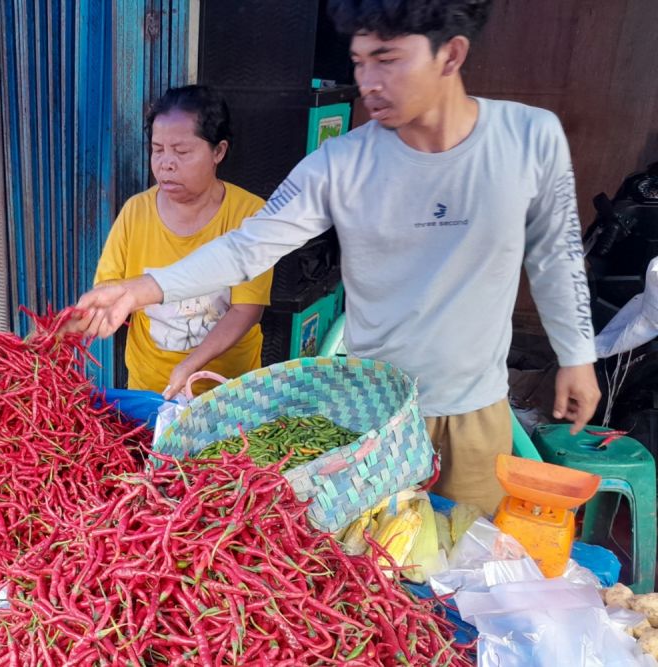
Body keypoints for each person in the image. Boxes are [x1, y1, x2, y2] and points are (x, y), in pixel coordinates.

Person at [72, 0, 602, 514]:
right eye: (359, 61)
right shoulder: (340, 164)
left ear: (451, 54)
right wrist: (140, 289)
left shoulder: (528, 138)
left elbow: (556, 254)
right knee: (370, 560)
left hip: (472, 410)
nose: (368, 82)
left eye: (387, 59)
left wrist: (577, 356)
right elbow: (247, 246)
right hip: (366, 415)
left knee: (466, 548)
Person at [96, 85, 273, 398]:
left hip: (229, 392)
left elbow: (246, 310)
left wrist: (191, 365)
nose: (166, 163)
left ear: (218, 151)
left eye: (181, 152)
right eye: (157, 150)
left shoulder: (248, 215)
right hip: (151, 389)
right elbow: (110, 289)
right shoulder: (136, 212)